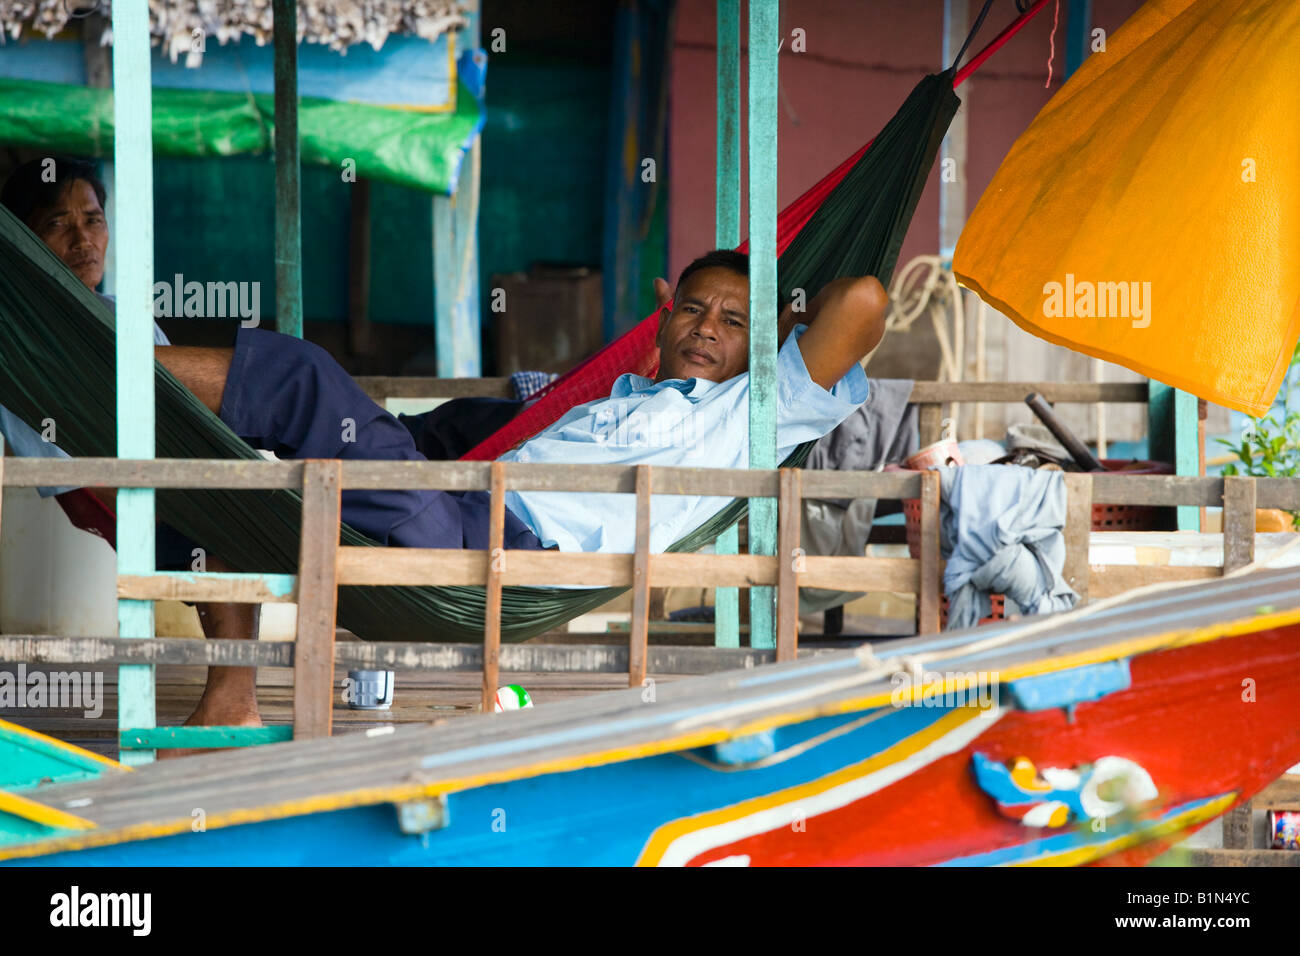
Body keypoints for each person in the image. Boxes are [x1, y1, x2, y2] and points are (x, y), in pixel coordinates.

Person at [0, 157, 261, 749]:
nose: (82, 239)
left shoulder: (125, 318)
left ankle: (231, 697)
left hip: (145, 474)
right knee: (220, 516)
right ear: (23, 240)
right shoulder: (20, 330)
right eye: (57, 224)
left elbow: (182, 415)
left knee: (228, 516)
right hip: (92, 482)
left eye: (93, 219)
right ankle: (233, 700)